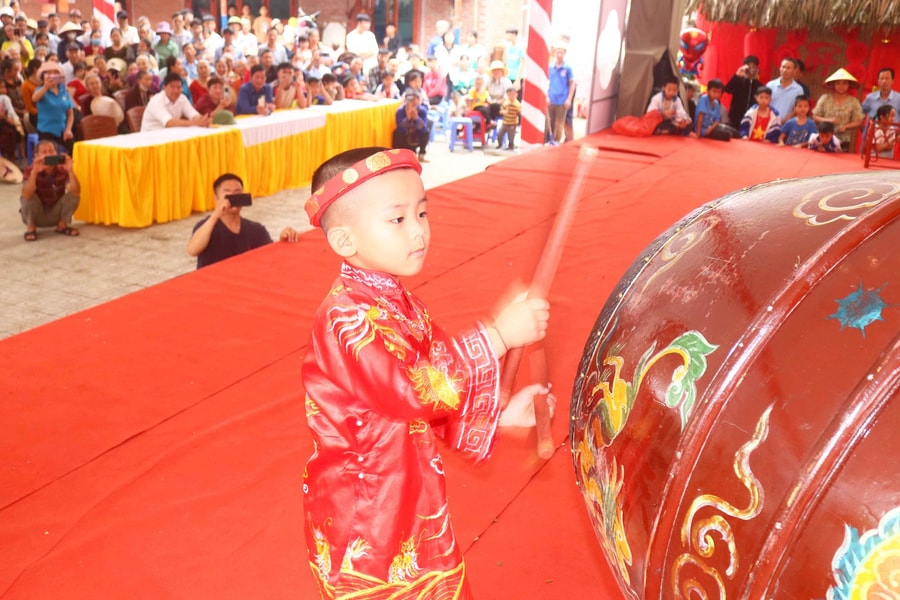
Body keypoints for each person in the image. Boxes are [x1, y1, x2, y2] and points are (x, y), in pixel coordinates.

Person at [301, 145, 551, 599]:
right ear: (344, 241)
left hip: (409, 491)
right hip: (367, 510)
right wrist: (497, 336)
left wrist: (502, 415)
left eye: (422, 213)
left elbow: (437, 385)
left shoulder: (402, 304)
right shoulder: (345, 317)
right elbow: (410, 392)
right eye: (397, 220)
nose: (418, 231)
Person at [187, 172, 300, 269]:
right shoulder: (206, 227)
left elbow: (270, 256)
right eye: (227, 194)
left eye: (237, 192)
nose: (233, 197)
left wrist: (282, 241)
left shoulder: (256, 229)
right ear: (216, 198)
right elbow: (193, 250)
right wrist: (215, 216)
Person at [20, 139, 80, 241]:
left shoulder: (62, 169)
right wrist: (34, 173)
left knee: (74, 196)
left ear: (56, 153)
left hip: (56, 214)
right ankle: (31, 227)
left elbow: (75, 191)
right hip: (37, 216)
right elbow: (25, 194)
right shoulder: (30, 169)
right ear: (36, 155)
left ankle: (62, 225)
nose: (48, 154)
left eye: (51, 151)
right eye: (44, 152)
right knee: (28, 196)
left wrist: (70, 171)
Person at [812, 67, 865, 151]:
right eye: (838, 83)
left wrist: (846, 126)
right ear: (833, 85)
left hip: (843, 139)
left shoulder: (854, 101)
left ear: (849, 85)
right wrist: (828, 120)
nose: (841, 86)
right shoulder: (825, 98)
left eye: (844, 83)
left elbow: (858, 121)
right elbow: (815, 116)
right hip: (823, 137)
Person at [141, 71, 210, 131]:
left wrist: (202, 120)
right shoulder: (156, 100)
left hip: (171, 136)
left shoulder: (182, 98)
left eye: (179, 87)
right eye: (172, 87)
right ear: (164, 87)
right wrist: (194, 123)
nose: (176, 91)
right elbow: (169, 123)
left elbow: (192, 114)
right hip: (150, 138)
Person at [32, 61, 75, 154]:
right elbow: (34, 98)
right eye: (49, 73)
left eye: (55, 73)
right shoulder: (40, 90)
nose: (52, 75)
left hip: (63, 131)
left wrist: (68, 130)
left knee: (74, 153)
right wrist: (46, 87)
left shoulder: (63, 91)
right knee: (51, 157)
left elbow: (70, 114)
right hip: (47, 132)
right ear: (43, 76)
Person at [392, 90, 430, 161]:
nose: (412, 102)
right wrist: (407, 119)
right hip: (405, 137)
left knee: (427, 132)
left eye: (415, 100)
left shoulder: (422, 111)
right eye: (410, 100)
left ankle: (421, 154)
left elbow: (424, 129)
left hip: (417, 136)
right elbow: (400, 129)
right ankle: (397, 155)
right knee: (396, 133)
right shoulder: (400, 111)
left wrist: (417, 118)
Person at [765, 57, 803, 122]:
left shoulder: (798, 90)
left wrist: (783, 121)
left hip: (786, 126)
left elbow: (797, 110)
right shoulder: (770, 85)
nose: (784, 70)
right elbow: (764, 104)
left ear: (794, 70)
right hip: (768, 123)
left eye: (788, 68)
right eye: (783, 67)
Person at [497, 83, 521, 150]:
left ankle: (511, 146)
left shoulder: (517, 104)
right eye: (509, 94)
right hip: (505, 122)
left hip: (512, 123)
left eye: (513, 94)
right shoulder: (505, 102)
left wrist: (516, 109)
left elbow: (519, 112)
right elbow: (501, 110)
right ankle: (500, 145)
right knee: (499, 134)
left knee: (511, 136)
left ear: (516, 95)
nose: (511, 96)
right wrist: (504, 112)